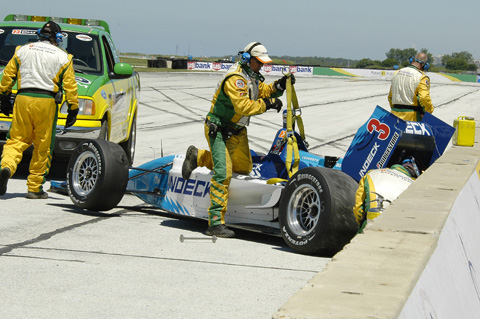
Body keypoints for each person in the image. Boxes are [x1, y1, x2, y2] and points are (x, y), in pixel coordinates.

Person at [182, 41, 293, 238]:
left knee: (243, 168)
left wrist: (278, 86)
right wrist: (268, 104)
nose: (262, 66)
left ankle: (198, 157)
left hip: (237, 131)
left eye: (263, 63)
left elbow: (261, 91)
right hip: (218, 129)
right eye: (259, 62)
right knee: (223, 173)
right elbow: (244, 107)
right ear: (248, 59)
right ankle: (215, 223)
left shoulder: (251, 75)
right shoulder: (236, 79)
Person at [0, 21, 79, 199]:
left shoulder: (22, 50)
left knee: (15, 140)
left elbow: (7, 75)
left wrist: (4, 98)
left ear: (39, 34)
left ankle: (6, 167)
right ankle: (34, 188)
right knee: (43, 146)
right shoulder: (64, 57)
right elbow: (70, 87)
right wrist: (73, 108)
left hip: (23, 98)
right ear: (57, 38)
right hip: (47, 102)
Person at [353, 157, 421, 232]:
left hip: (371, 222)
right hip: (395, 229)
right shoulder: (415, 185)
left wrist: (360, 225)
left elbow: (358, 208)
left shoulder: (372, 173)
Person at [388, 52, 434, 121]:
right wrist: (428, 112)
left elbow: (391, 96)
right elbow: (424, 97)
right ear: (424, 65)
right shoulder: (421, 77)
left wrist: (394, 108)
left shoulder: (396, 73)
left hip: (394, 115)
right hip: (412, 117)